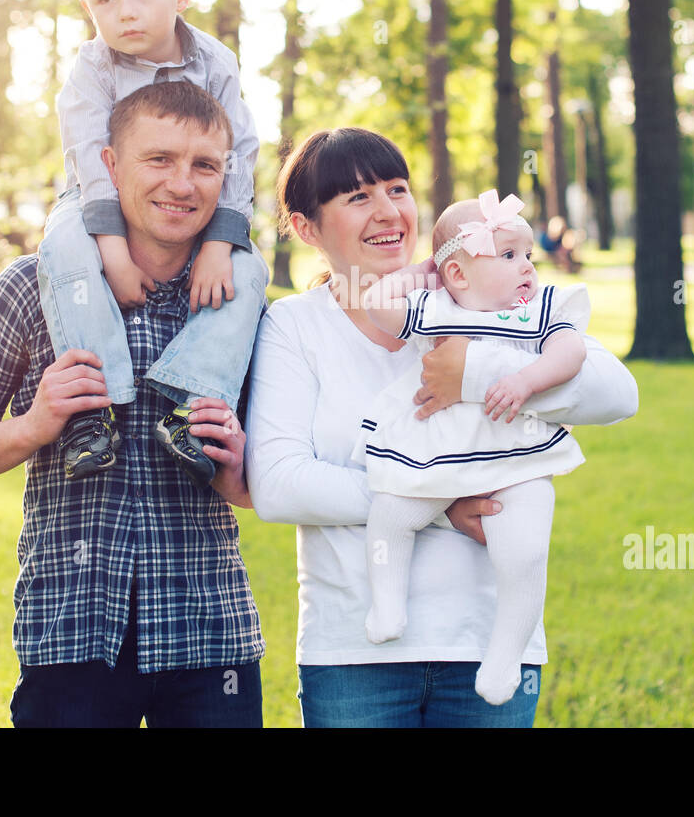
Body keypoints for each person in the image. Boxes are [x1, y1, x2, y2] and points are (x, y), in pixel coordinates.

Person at [245, 128, 638, 728]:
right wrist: (442, 496)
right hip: (355, 652)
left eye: (396, 188)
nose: (387, 211)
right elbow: (278, 484)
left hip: (484, 646)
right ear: (305, 228)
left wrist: (474, 373)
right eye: (356, 197)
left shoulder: (485, 298)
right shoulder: (295, 326)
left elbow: (617, 393)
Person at [0, 81, 263, 728]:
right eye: (158, 159)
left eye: (204, 165)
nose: (182, 184)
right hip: (73, 634)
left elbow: (255, 488)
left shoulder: (236, 305)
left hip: (209, 637)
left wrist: (236, 467)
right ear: (108, 166)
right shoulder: (32, 286)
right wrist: (34, 425)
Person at [42, 0, 267, 486]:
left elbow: (237, 152)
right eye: (105, 0)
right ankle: (94, 409)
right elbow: (91, 162)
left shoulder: (214, 62)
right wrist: (112, 251)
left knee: (251, 272)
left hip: (193, 199)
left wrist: (220, 243)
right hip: (99, 199)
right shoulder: (91, 67)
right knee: (62, 245)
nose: (125, 11)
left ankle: (194, 401)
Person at [355, 190, 591, 705]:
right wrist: (426, 268)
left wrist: (528, 379)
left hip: (520, 457)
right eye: (508, 255)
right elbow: (376, 305)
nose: (527, 266)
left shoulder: (539, 309)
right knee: (392, 512)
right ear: (457, 276)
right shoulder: (434, 306)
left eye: (527, 253)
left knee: (524, 553)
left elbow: (572, 351)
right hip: (442, 451)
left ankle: (506, 653)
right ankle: (388, 602)